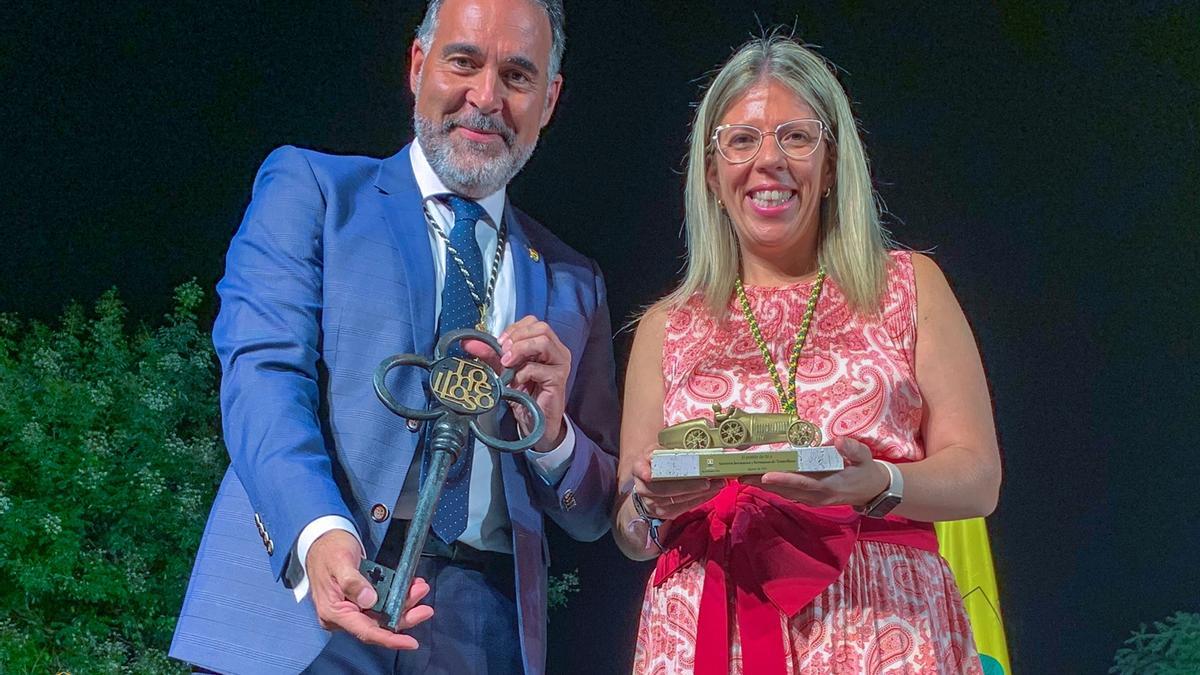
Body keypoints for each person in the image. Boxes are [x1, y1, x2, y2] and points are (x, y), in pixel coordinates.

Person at [170, 1, 619, 673]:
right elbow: (262, 381)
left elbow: (595, 507)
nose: (486, 97)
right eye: (463, 62)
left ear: (549, 100)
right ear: (418, 66)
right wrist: (320, 534)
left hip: (480, 624)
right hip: (302, 594)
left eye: (518, 77)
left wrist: (554, 439)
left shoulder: (573, 281)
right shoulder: (314, 191)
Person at [613, 34, 1001, 674]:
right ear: (712, 175)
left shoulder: (908, 285)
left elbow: (979, 477)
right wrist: (653, 505)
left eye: (796, 137)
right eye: (741, 140)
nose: (769, 161)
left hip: (882, 621)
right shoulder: (664, 325)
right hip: (709, 620)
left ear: (831, 163)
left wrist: (879, 482)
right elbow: (631, 530)